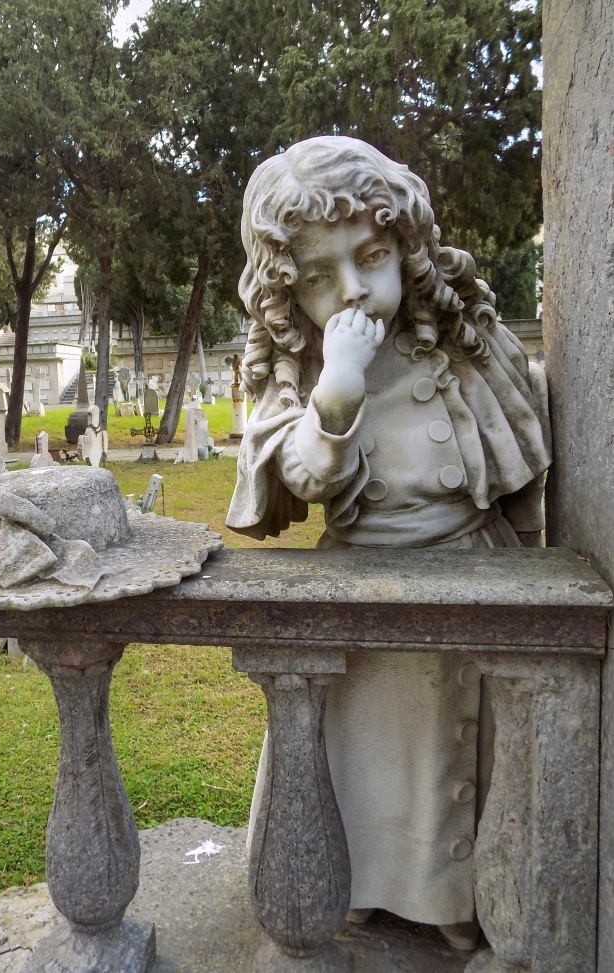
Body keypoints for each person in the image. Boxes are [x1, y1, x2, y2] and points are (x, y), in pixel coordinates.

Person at [226, 136, 551, 951]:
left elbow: (524, 468)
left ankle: (455, 897)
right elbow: (304, 471)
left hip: (470, 576)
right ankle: (351, 880)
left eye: (371, 257)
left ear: (407, 245)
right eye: (317, 277)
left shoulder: (460, 345)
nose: (352, 290)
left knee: (455, 751)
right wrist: (339, 386)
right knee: (361, 758)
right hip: (362, 593)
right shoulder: (310, 376)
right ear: (286, 294)